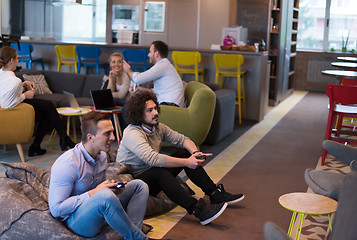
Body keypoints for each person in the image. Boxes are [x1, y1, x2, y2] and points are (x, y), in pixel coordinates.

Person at [116, 91, 245, 225]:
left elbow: (182, 139)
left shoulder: (158, 127)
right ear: (138, 113)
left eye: (155, 108)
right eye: (150, 110)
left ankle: (214, 193)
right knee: (160, 171)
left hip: (152, 173)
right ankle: (197, 209)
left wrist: (195, 153)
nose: (155, 113)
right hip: (134, 182)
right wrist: (187, 162)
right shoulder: (132, 133)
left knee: (184, 152)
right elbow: (152, 159)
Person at [49, 111, 160, 240]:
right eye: (107, 133)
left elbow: (99, 190)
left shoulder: (102, 156)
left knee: (139, 186)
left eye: (112, 132)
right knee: (104, 196)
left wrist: (113, 189)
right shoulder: (67, 164)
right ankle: (139, 238)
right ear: (90, 137)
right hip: (75, 221)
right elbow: (56, 209)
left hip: (97, 208)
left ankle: (133, 232)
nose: (113, 137)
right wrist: (94, 193)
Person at [0, 46, 75, 156]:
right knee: (49, 108)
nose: (18, 60)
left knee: (48, 111)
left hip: (10, 110)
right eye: (17, 58)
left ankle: (38, 145)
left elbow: (5, 92)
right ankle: (63, 138)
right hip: (12, 112)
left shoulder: (3, 73)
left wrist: (23, 85)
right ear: (11, 60)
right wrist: (25, 95)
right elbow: (6, 103)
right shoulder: (14, 80)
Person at [123, 41, 185, 108]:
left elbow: (137, 79)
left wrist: (128, 70)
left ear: (156, 53)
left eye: (150, 52)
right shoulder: (164, 65)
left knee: (133, 108)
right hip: (169, 104)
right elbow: (157, 92)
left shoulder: (163, 65)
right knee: (135, 107)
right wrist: (140, 89)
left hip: (170, 106)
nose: (148, 55)